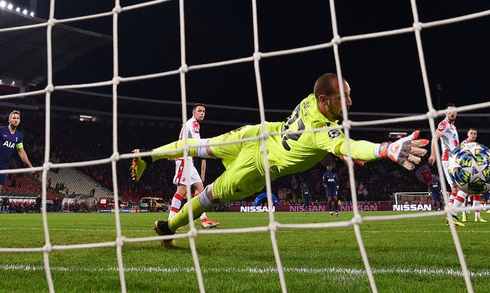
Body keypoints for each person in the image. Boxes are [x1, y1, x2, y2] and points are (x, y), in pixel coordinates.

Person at [131, 73, 429, 245]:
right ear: (325, 100)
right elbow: (349, 146)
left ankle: (148, 156)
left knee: (198, 145)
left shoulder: (311, 100)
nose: (350, 102)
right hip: (257, 165)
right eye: (344, 97)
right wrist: (384, 149)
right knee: (208, 196)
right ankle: (167, 228)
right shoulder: (322, 130)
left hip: (256, 133)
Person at [170, 103, 218, 229]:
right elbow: (198, 142)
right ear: (193, 112)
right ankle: (170, 221)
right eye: (199, 111)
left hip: (189, 160)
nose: (202, 113)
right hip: (184, 159)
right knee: (181, 190)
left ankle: (204, 219)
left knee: (200, 188)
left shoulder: (192, 124)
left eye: (204, 111)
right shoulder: (193, 124)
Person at [428, 103, 466, 227]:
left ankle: (450, 216)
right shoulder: (444, 124)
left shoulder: (452, 127)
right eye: (449, 111)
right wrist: (433, 155)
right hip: (449, 160)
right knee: (463, 187)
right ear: (445, 113)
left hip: (453, 159)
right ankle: (453, 215)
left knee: (455, 189)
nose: (452, 113)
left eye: (454, 111)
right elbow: (435, 138)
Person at [460, 128, 486, 223]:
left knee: (477, 193)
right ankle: (463, 214)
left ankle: (477, 216)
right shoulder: (464, 144)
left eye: (475, 133)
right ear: (467, 134)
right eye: (471, 133)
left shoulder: (477, 145)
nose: (473, 135)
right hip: (465, 171)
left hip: (475, 171)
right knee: (463, 193)